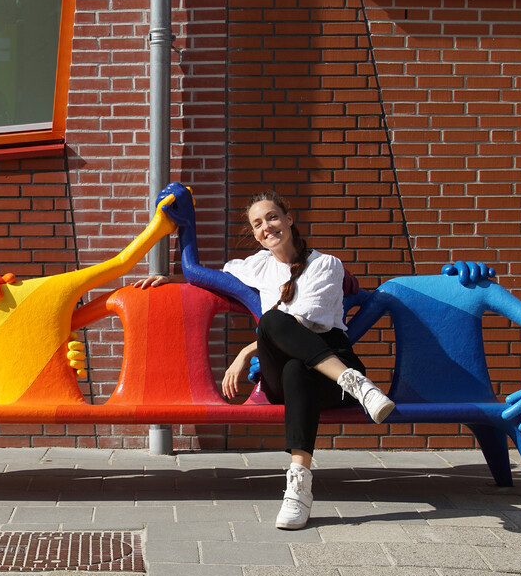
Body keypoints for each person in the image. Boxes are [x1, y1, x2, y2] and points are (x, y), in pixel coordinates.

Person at [134, 191, 394, 530]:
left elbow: (302, 321)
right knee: (277, 333)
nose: (266, 227)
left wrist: (244, 353)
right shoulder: (256, 265)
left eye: (272, 217)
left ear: (288, 219)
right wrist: (175, 278)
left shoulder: (325, 264)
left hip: (324, 373)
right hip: (285, 378)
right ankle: (358, 384)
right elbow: (205, 276)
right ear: (255, 234)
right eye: (257, 224)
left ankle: (298, 489)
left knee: (292, 360)